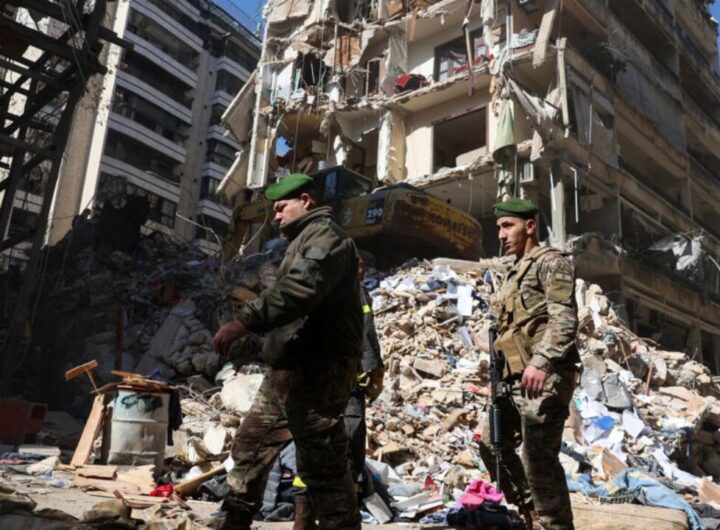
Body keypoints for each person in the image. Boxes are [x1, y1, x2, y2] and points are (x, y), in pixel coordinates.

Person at [213, 172, 363, 530]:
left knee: (322, 466)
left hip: (316, 371)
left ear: (306, 201)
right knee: (250, 447)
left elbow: (297, 293)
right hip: (288, 369)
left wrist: (243, 322)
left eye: (281, 208)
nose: (276, 216)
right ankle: (234, 520)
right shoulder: (302, 241)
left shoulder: (326, 237)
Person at [477, 198, 580, 530]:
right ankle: (532, 514)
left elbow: (564, 319)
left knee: (538, 460)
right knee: (491, 443)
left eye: (508, 226)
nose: (501, 235)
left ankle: (555, 525)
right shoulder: (513, 271)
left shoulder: (551, 263)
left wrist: (542, 360)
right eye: (499, 228)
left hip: (545, 376)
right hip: (513, 379)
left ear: (530, 226)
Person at [344, 254, 384, 484]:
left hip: (340, 373)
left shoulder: (352, 291)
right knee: (351, 429)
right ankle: (348, 486)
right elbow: (366, 334)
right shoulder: (353, 292)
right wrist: (372, 371)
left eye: (363, 266)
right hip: (348, 375)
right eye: (357, 266)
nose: (363, 270)